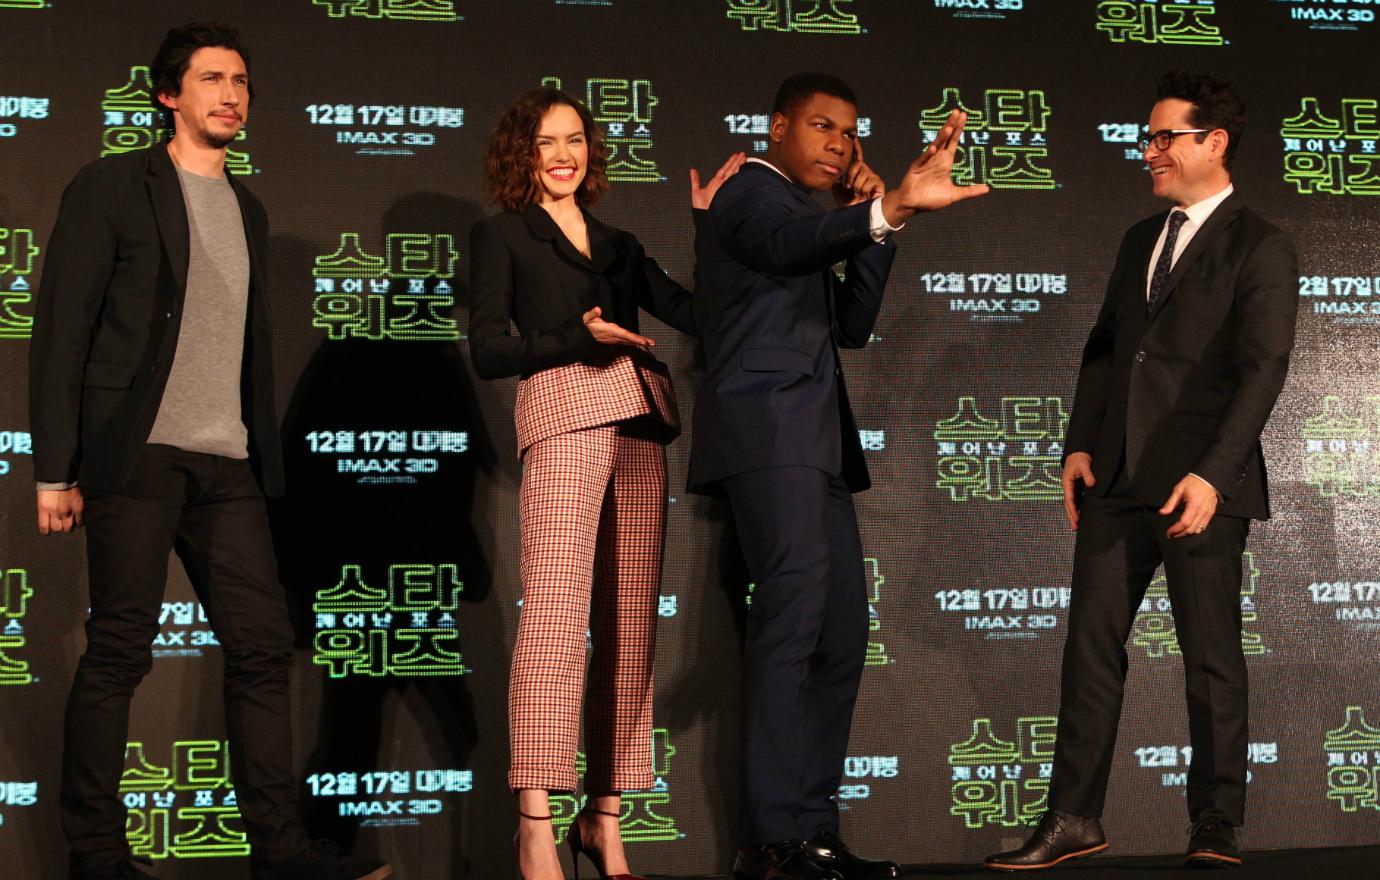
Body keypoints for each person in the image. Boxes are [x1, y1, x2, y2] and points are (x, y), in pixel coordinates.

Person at [28, 22, 389, 880]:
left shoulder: (248, 205)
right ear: (169, 95)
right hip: (135, 455)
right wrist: (54, 470)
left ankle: (280, 849)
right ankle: (96, 854)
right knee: (119, 648)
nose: (231, 95)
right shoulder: (113, 186)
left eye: (242, 82)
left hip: (228, 463)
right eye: (212, 79)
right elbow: (62, 330)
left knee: (263, 647)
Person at [985, 71, 1298, 872]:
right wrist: (1078, 444)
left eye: (1165, 137)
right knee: (1089, 651)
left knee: (1211, 659)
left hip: (1200, 485)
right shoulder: (1137, 240)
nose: (1148, 151)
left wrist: (1214, 474)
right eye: (1148, 137)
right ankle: (1073, 817)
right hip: (1117, 479)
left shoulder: (1260, 244)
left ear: (1213, 143)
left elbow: (1262, 370)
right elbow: (1105, 350)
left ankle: (1216, 823)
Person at [689, 72, 987, 880]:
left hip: (816, 445)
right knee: (789, 628)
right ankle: (770, 840)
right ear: (777, 126)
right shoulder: (749, 190)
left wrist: (882, 227)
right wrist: (884, 210)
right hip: (768, 434)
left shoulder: (819, 216)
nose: (839, 143)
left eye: (850, 131)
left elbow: (851, 326)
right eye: (822, 126)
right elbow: (784, 250)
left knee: (842, 634)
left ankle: (813, 832)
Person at [467, 86, 743, 880]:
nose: (564, 154)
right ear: (521, 155)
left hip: (639, 423)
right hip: (562, 413)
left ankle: (605, 819)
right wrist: (573, 338)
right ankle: (534, 824)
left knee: (630, 631)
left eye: (576, 140)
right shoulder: (502, 235)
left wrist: (708, 226)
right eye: (547, 142)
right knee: (555, 622)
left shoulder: (619, 242)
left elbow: (696, 313)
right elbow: (488, 348)